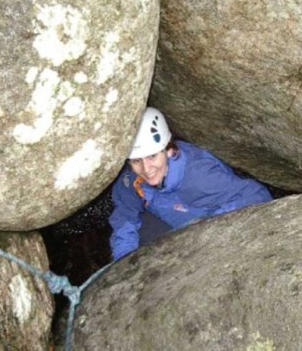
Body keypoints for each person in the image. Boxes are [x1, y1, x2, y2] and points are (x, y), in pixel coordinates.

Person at [109, 107, 273, 260]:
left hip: (206, 227)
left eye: (152, 157)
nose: (146, 169)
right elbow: (125, 215)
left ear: (169, 150)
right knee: (137, 233)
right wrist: (123, 262)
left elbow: (257, 195)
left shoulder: (200, 177)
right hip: (171, 221)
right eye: (137, 160)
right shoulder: (131, 178)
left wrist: (206, 227)